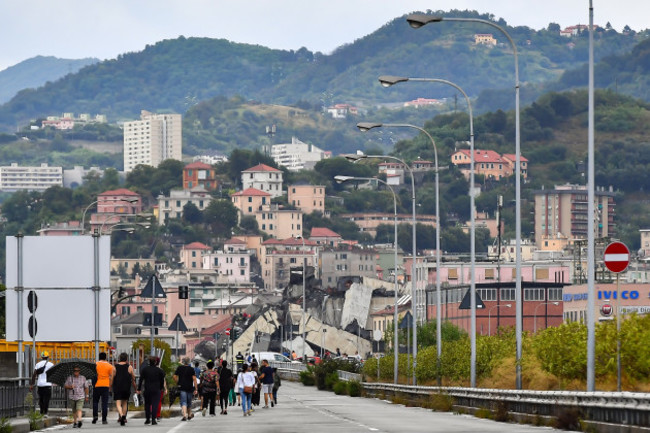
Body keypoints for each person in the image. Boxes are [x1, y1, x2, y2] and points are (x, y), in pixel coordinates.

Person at [137, 356, 166, 425]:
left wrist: (139, 389)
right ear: (156, 362)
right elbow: (162, 380)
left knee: (147, 404)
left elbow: (141, 380)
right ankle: (153, 419)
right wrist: (161, 387)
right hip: (156, 389)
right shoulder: (159, 370)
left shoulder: (145, 370)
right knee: (155, 404)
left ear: (149, 362)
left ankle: (147, 419)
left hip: (147, 389)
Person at [113, 352, 136, 426]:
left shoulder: (115, 367)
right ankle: (124, 416)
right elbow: (133, 377)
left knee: (118, 403)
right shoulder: (129, 367)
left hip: (117, 387)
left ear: (119, 358)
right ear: (126, 359)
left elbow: (112, 377)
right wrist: (134, 384)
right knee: (125, 402)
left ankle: (121, 415)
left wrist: (110, 386)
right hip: (126, 387)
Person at [93, 352, 115, 425]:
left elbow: (93, 374)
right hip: (105, 385)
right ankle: (104, 419)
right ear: (105, 357)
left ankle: (95, 416)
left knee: (95, 401)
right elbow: (111, 377)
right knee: (104, 403)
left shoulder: (95, 364)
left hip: (96, 385)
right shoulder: (110, 366)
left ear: (99, 357)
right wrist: (110, 386)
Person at [30, 351, 54, 417]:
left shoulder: (38, 364)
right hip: (47, 384)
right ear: (48, 357)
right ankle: (45, 413)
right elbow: (53, 374)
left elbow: (34, 375)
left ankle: (41, 412)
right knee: (46, 399)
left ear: (41, 357)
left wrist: (32, 384)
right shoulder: (51, 364)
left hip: (40, 384)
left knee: (41, 399)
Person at [173, 357, 197, 421]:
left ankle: (184, 415)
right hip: (189, 387)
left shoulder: (179, 368)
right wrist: (196, 388)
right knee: (189, 402)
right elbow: (194, 379)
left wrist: (178, 382)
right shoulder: (191, 369)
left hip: (182, 387)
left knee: (183, 401)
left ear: (183, 362)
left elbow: (174, 376)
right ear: (189, 362)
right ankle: (189, 415)